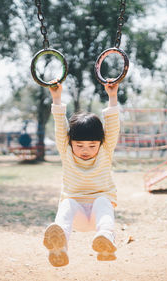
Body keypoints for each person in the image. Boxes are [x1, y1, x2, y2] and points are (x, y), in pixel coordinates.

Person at [43, 80, 120, 267]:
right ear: (70, 142)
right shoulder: (66, 149)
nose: (85, 150)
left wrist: (112, 96)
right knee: (67, 203)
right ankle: (59, 248)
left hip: (98, 214)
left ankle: (105, 239)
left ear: (101, 143)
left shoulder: (106, 149)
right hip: (75, 212)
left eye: (92, 145)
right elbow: (60, 126)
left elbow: (112, 124)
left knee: (103, 200)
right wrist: (56, 98)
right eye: (79, 145)